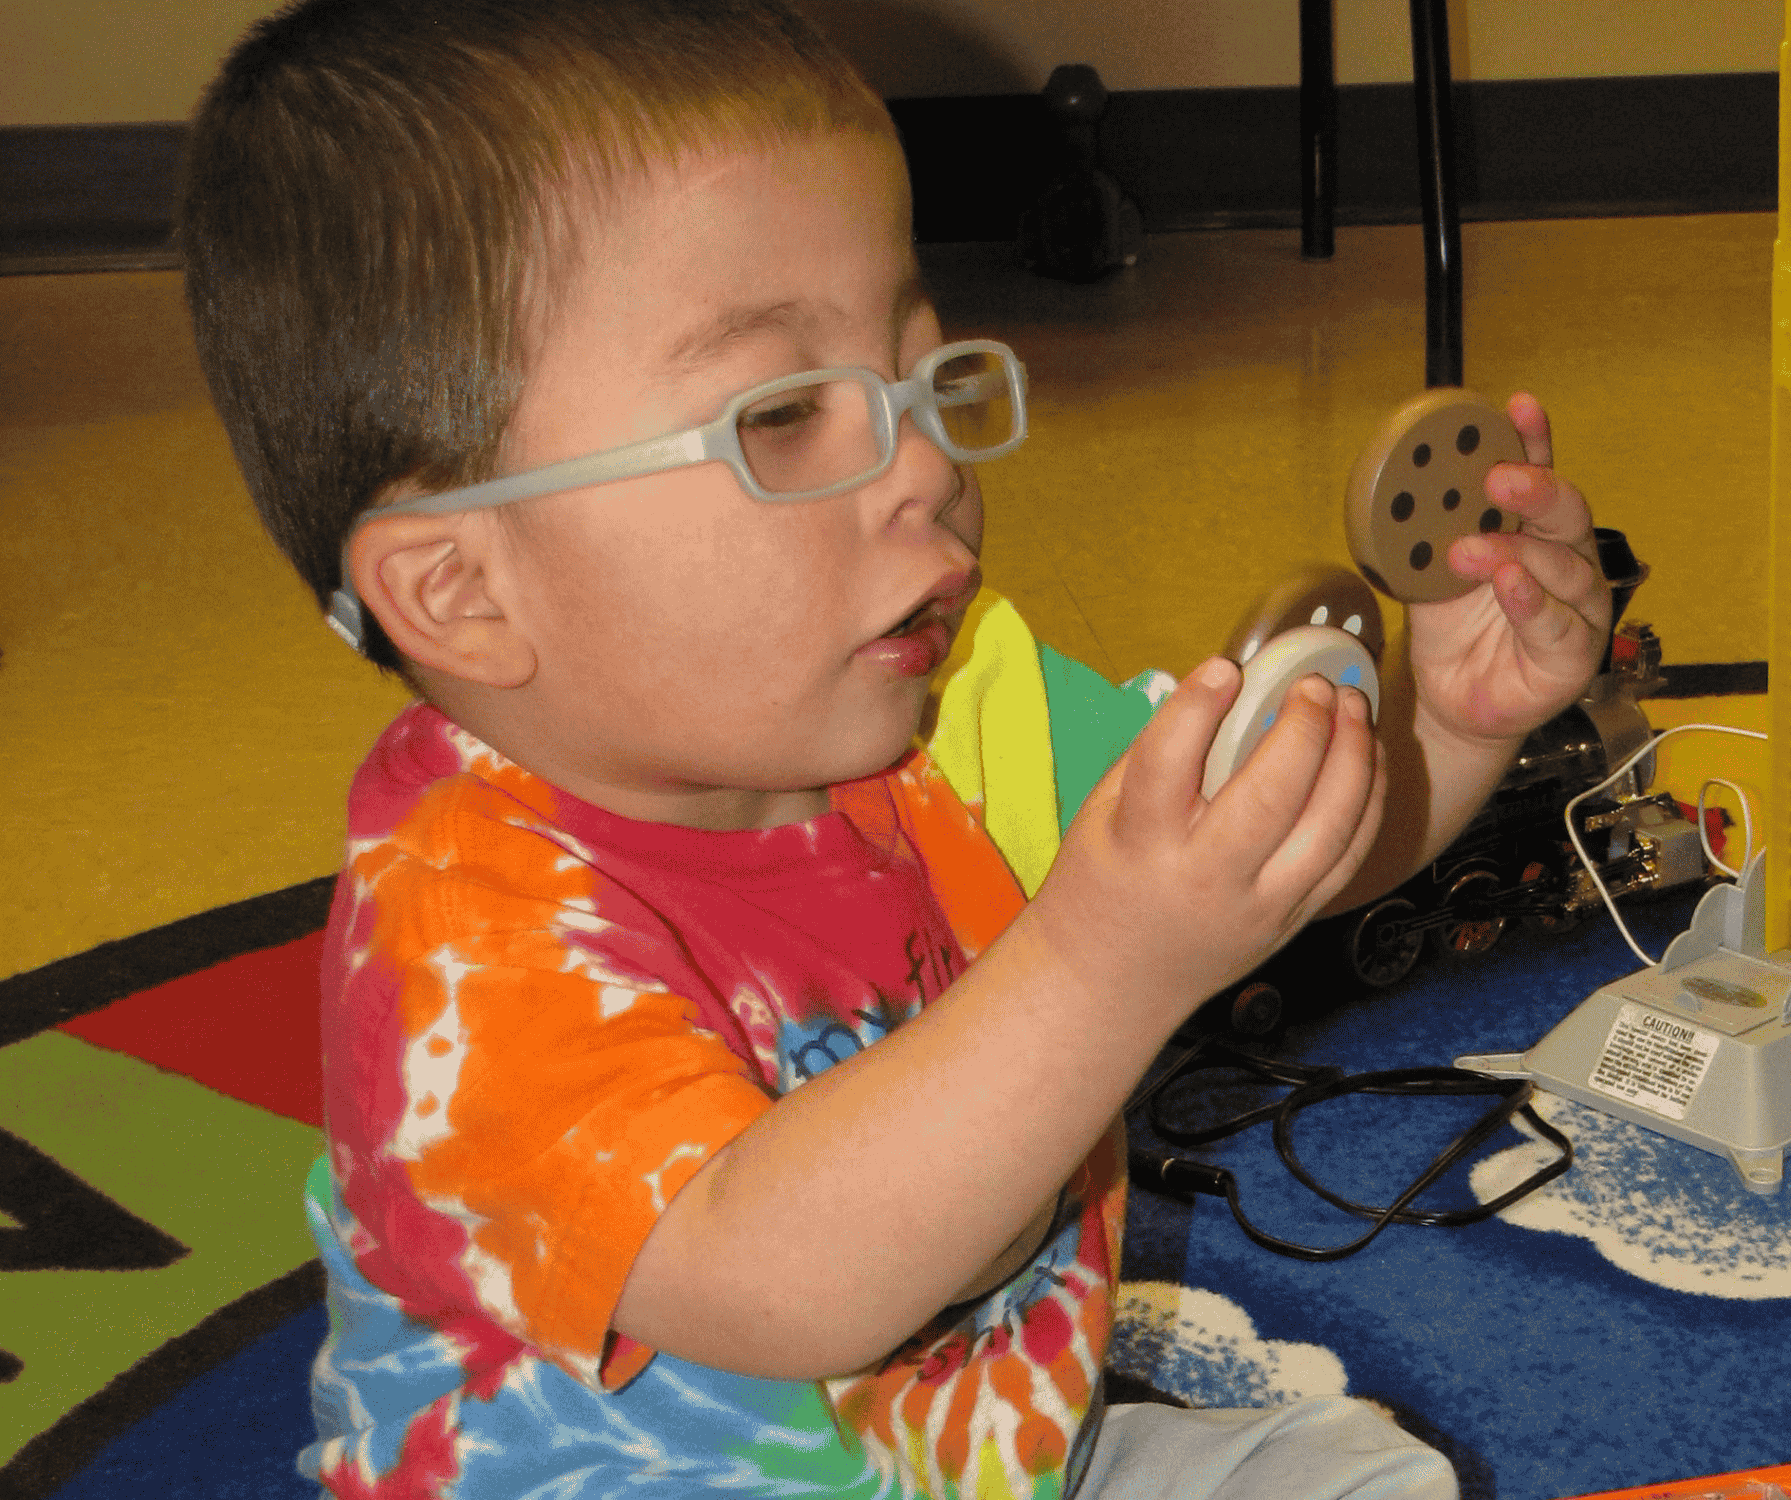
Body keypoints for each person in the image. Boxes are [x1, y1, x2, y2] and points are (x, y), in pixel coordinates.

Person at [178, 1, 1611, 1494]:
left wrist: (1452, 725)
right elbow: (790, 1282)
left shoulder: (945, 702)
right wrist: (1100, 961)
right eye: (786, 413)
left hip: (963, 1460)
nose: (929, 465)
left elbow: (1264, 860)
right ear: (464, 590)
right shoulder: (462, 943)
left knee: (1358, 1479)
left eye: (924, 382)